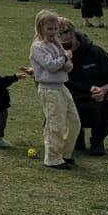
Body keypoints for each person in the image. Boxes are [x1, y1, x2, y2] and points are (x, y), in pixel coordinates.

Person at [57, 18, 108, 155]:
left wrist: (103, 91)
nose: (64, 47)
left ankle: (97, 140)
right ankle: (75, 137)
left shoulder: (96, 53)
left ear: (74, 34)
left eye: (67, 43)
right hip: (66, 104)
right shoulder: (53, 55)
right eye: (60, 44)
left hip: (91, 103)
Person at [29, 10, 78, 170]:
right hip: (49, 89)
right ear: (40, 28)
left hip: (61, 86)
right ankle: (52, 157)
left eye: (56, 29)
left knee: (74, 121)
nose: (54, 32)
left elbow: (66, 65)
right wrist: (64, 58)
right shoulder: (38, 47)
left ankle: (64, 153)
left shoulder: (56, 43)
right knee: (54, 124)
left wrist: (67, 61)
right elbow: (50, 65)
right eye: (49, 29)